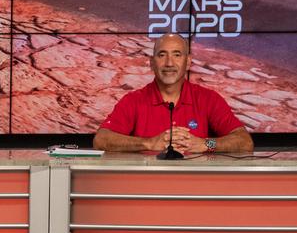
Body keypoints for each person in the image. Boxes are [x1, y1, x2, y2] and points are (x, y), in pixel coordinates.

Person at [93, 33, 254, 154]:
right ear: (152, 63)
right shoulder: (134, 100)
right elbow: (101, 140)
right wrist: (149, 143)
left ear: (188, 62)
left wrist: (205, 144)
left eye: (177, 55)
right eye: (162, 55)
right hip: (146, 187)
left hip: (197, 188)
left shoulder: (208, 99)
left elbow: (244, 142)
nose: (169, 63)